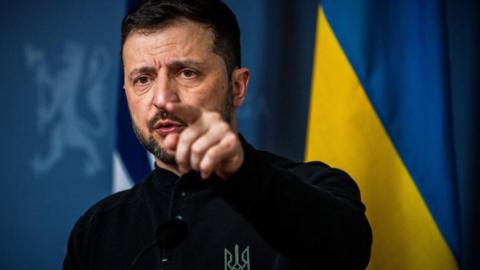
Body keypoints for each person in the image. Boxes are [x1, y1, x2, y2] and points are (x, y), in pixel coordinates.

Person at [63, 0, 372, 269]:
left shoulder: (317, 186)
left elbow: (346, 254)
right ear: (126, 93)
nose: (162, 98)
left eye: (187, 73)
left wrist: (240, 173)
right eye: (143, 79)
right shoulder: (96, 229)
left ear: (237, 87)